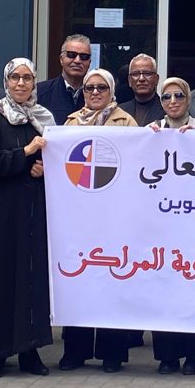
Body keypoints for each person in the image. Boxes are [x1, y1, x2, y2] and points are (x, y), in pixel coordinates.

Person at [0, 58, 56, 380]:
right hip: (2, 214)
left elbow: (55, 159)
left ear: (34, 82)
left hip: (32, 213)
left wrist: (42, 167)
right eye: (15, 78)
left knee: (30, 280)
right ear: (6, 82)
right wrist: (25, 154)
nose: (21, 83)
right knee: (2, 281)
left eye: (27, 78)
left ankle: (29, 351)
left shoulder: (43, 117)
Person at [60, 68, 139, 372]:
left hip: (114, 218)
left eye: (101, 88)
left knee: (112, 283)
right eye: (89, 88)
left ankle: (112, 353)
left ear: (111, 91)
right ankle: (75, 351)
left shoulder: (126, 122)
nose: (94, 93)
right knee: (77, 282)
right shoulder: (69, 123)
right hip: (78, 219)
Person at [144, 77, 195, 373]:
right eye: (167, 97)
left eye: (179, 96)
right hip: (163, 226)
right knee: (165, 289)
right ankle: (168, 356)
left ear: (188, 99)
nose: (173, 102)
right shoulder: (151, 131)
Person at [38, 34, 91, 123]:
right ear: (61, 59)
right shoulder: (40, 92)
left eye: (84, 57)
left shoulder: (98, 95)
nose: (77, 61)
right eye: (71, 55)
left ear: (89, 62)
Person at [118, 53, 163, 126]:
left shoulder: (168, 110)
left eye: (147, 73)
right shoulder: (120, 111)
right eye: (136, 74)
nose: (141, 79)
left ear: (156, 79)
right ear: (129, 80)